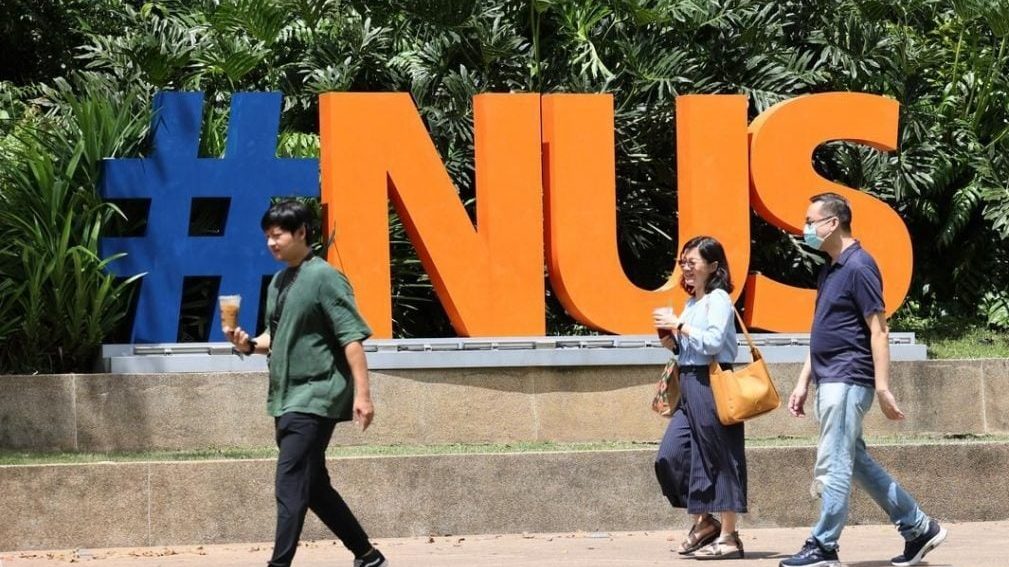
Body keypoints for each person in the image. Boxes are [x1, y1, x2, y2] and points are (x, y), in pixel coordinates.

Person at [779, 193, 946, 567]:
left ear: (832, 223)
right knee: (853, 461)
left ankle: (824, 545)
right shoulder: (831, 269)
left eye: (810, 221)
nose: (805, 229)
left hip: (848, 377)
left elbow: (879, 329)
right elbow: (823, 331)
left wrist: (883, 387)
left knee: (834, 463)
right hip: (829, 378)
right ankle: (919, 527)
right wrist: (803, 381)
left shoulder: (859, 266)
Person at [225, 200, 388, 567]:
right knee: (312, 486)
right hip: (286, 396)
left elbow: (351, 337)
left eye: (277, 235)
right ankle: (368, 556)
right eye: (267, 236)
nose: (271, 243)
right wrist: (247, 344)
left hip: (316, 394)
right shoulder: (279, 282)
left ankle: (279, 564)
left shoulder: (325, 277)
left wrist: (363, 395)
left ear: (301, 233)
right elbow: (275, 336)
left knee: (289, 480)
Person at [653, 235, 746, 560]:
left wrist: (679, 325)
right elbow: (691, 348)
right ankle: (705, 522)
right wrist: (673, 343)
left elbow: (713, 342)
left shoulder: (719, 299)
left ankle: (729, 536)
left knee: (721, 456)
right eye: (683, 263)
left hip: (713, 381)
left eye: (692, 262)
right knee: (671, 455)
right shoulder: (693, 303)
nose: (686, 268)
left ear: (713, 266)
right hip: (690, 382)